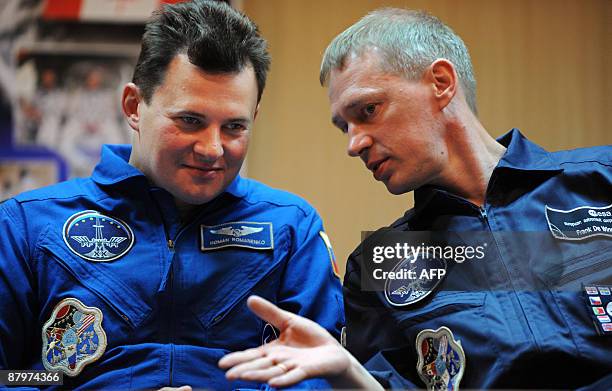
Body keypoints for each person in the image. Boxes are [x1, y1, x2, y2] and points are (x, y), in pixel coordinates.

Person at [219, 7, 612, 390]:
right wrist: (347, 374)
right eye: (344, 128)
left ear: (441, 82)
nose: (354, 144)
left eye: (368, 110)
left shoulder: (599, 178)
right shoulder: (382, 263)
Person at [0, 1, 344, 389]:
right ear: (133, 106)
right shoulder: (26, 226)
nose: (213, 148)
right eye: (190, 121)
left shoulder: (290, 227)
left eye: (234, 126)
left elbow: (323, 376)